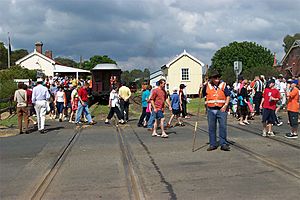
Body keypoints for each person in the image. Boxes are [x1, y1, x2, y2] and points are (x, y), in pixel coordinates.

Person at [202, 70, 230, 151]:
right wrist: (201, 87)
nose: (217, 79)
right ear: (211, 79)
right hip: (211, 109)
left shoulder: (223, 85)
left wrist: (225, 105)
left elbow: (228, 96)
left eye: (218, 77)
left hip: (221, 109)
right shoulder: (207, 86)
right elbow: (201, 94)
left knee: (223, 127)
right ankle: (212, 144)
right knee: (211, 127)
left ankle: (223, 144)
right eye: (215, 78)